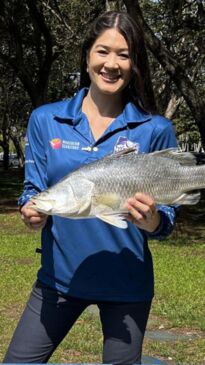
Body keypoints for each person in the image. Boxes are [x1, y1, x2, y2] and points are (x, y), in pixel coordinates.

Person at [4, 11, 178, 364]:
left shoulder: (154, 129)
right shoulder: (46, 120)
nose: (111, 64)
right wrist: (30, 210)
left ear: (134, 65)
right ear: (86, 57)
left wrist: (153, 222)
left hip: (126, 285)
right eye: (103, 51)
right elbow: (33, 189)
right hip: (58, 282)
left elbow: (168, 220)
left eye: (123, 54)